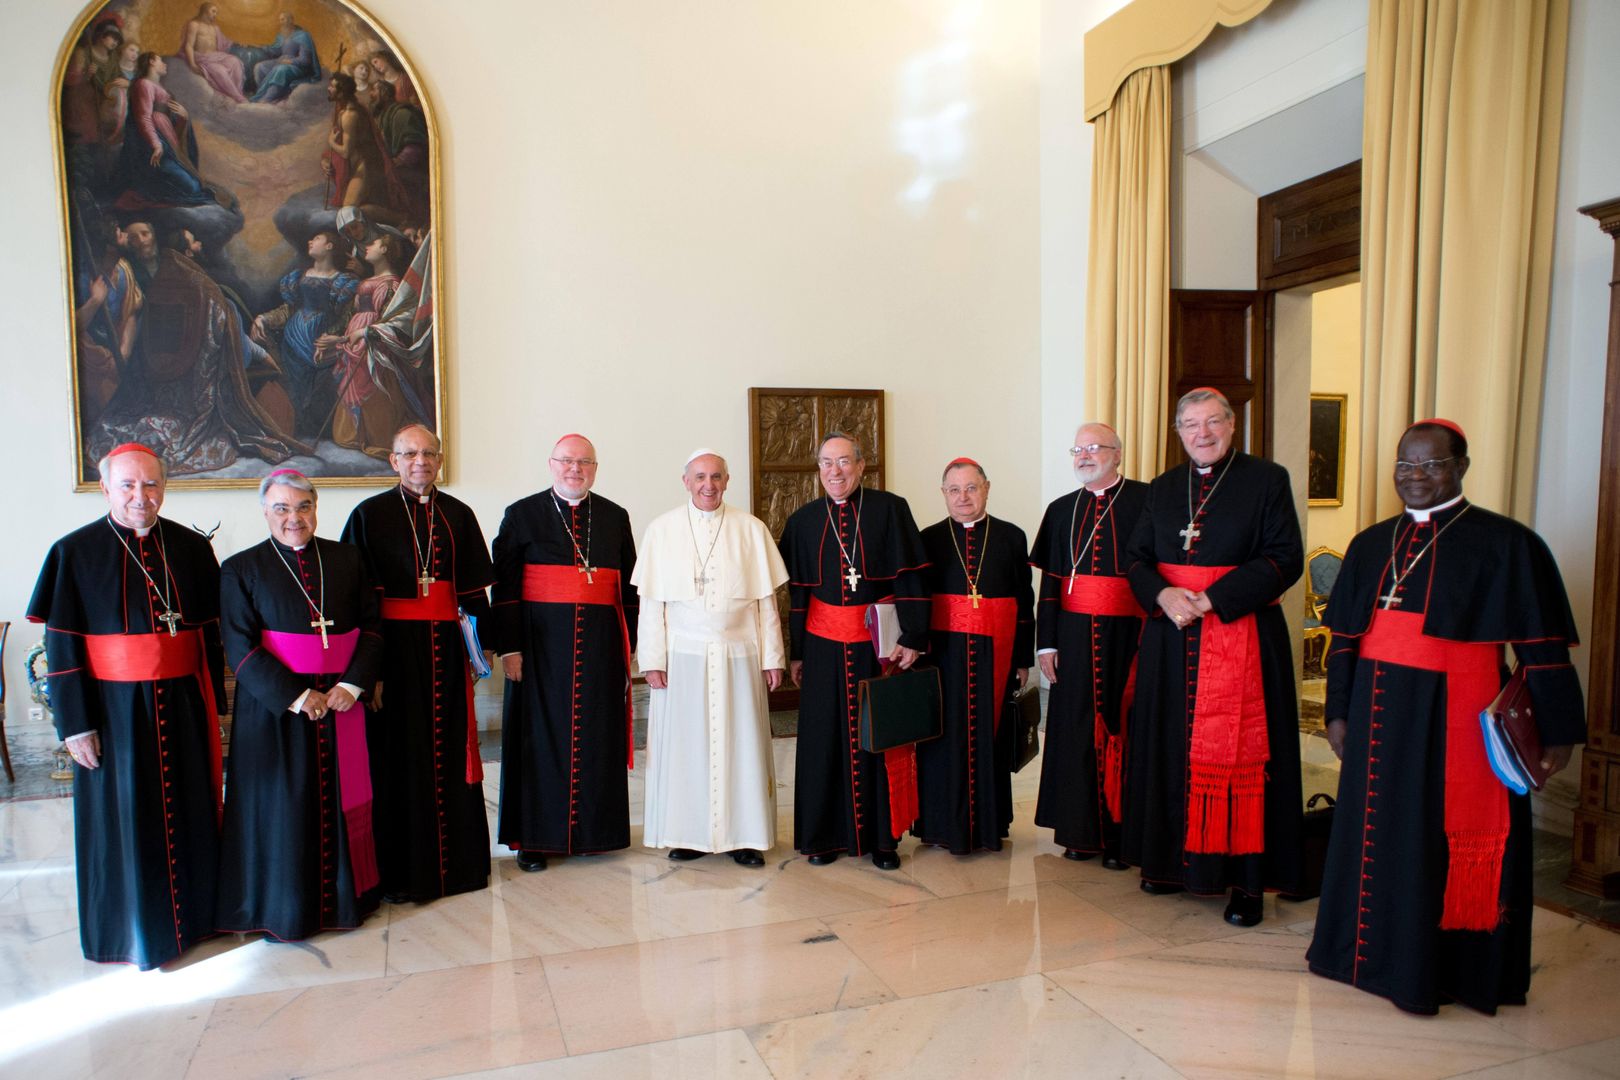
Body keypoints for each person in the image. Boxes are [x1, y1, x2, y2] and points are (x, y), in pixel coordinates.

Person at [1306, 420, 1584, 1015]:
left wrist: (1558, 732)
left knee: (1440, 842)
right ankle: (1361, 956)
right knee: (1375, 836)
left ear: (1461, 465)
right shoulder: (1371, 543)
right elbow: (1348, 639)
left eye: (1431, 465)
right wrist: (1337, 712)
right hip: (1378, 716)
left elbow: (1542, 649)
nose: (1415, 476)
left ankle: (1452, 974)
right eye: (1405, 465)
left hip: (1458, 721)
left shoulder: (1509, 544)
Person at [27, 443, 226, 970]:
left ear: (165, 486)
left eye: (152, 485)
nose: (142, 497)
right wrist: (75, 725)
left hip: (183, 704)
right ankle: (134, 933)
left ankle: (200, 919)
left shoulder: (188, 547)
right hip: (113, 714)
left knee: (191, 808)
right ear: (106, 489)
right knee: (127, 819)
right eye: (129, 486)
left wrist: (219, 708)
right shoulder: (74, 552)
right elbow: (62, 648)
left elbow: (211, 633)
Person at [1123, 388, 1304, 926]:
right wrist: (1161, 594)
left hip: (1239, 633)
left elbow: (1285, 557)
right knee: (1166, 746)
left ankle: (1244, 884)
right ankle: (1167, 865)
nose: (1202, 434)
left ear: (1232, 425)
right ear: (1178, 432)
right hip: (1170, 638)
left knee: (1241, 759)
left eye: (1212, 422)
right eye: (1190, 425)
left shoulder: (1266, 480)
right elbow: (1136, 557)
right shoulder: (1161, 488)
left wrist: (1211, 599)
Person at [216, 470, 385, 940]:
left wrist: (352, 686)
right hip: (275, 712)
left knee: (344, 799)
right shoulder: (241, 568)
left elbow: (373, 628)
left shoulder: (348, 559)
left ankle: (348, 900)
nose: (294, 518)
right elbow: (239, 646)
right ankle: (284, 907)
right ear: (265, 512)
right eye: (282, 509)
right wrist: (294, 695)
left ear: (316, 507)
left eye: (303, 507)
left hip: (341, 702)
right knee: (282, 806)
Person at [341, 424, 494, 903]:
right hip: (394, 656)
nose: (420, 462)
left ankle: (460, 868)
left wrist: (480, 650)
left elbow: (472, 593)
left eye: (429, 453)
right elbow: (359, 602)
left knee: (451, 754)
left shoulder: (459, 515)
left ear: (440, 459)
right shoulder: (368, 515)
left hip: (447, 653)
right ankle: (403, 874)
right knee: (396, 759)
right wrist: (372, 673)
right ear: (393, 460)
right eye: (410, 454)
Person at [779, 431, 930, 870]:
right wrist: (797, 652)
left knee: (878, 739)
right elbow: (800, 595)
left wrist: (913, 638)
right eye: (827, 463)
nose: (835, 471)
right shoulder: (804, 520)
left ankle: (882, 840)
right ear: (818, 470)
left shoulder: (890, 510)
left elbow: (910, 580)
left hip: (876, 646)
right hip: (824, 647)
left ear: (862, 466)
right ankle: (822, 837)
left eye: (844, 462)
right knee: (822, 738)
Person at [632, 450, 788, 866]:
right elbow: (652, 604)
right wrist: (652, 659)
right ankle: (688, 834)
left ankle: (746, 837)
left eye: (716, 477)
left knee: (744, 747)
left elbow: (765, 604)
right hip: (682, 656)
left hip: (741, 654)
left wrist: (773, 657)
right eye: (699, 477)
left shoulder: (750, 529)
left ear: (727, 480)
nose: (708, 485)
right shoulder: (662, 530)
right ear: (685, 481)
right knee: (685, 748)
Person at [491, 435, 638, 871]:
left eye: (585, 462)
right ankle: (534, 839)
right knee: (537, 740)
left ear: (596, 468)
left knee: (597, 735)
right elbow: (504, 587)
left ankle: (596, 834)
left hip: (600, 648)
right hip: (538, 650)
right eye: (567, 461)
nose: (576, 469)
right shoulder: (522, 514)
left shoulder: (614, 516)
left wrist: (630, 643)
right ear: (552, 465)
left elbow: (630, 586)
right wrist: (510, 648)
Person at [1030, 424, 1148, 865]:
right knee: (1075, 732)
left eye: (1093, 448)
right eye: (1077, 449)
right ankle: (1079, 833)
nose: (1083, 456)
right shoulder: (1062, 510)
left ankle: (1123, 838)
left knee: (1125, 729)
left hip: (1129, 639)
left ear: (1117, 454)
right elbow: (1051, 584)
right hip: (1074, 642)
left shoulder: (1145, 500)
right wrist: (1045, 645)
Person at [915, 458, 1033, 854]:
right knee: (941, 737)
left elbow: (1023, 601)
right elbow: (916, 601)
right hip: (943, 657)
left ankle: (988, 825)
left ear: (986, 488)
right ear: (943, 493)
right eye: (954, 490)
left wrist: (1022, 658)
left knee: (991, 736)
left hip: (993, 657)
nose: (962, 497)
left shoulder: (1011, 537)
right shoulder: (928, 539)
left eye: (971, 488)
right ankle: (939, 825)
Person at [319, 231, 429, 458]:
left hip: (376, 347)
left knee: (377, 388)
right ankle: (355, 434)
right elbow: (350, 314)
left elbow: (395, 321)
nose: (367, 246)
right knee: (352, 385)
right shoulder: (366, 282)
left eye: (374, 243)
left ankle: (376, 436)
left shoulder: (393, 285)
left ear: (385, 250)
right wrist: (336, 338)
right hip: (356, 338)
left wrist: (367, 332)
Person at [252, 229, 359, 439]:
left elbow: (346, 319)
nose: (310, 240)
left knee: (320, 392)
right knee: (293, 389)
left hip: (323, 344)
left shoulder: (343, 281)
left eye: (317, 238)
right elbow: (287, 310)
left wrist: (332, 338)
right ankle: (294, 432)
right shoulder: (298, 277)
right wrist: (263, 318)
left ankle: (317, 433)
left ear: (329, 246)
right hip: (292, 341)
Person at [245, 12, 321, 104]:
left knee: (281, 69)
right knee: (259, 67)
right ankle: (262, 94)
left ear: (291, 20)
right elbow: (276, 51)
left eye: (283, 19)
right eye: (280, 20)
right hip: (282, 61)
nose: (281, 22)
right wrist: (260, 46)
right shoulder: (281, 36)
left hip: (298, 67)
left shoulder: (303, 36)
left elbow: (305, 60)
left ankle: (268, 98)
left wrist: (290, 61)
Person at [181, 3, 247, 104]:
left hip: (216, 56)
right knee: (220, 71)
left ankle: (238, 92)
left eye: (216, 12)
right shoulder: (194, 24)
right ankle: (238, 98)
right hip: (202, 58)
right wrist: (192, 64)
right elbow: (189, 45)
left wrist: (237, 42)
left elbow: (225, 41)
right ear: (205, 11)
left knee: (235, 62)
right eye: (213, 11)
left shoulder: (214, 27)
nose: (215, 14)